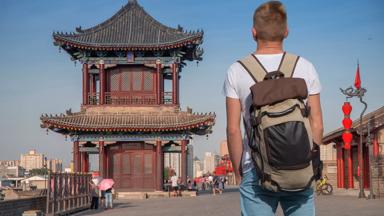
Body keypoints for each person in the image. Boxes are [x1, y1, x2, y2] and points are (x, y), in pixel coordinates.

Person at [223, 1, 324, 215]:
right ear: (286, 32)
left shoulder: (237, 70)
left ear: (253, 32)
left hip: (257, 170)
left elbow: (233, 129)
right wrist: (310, 162)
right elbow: (317, 123)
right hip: (300, 168)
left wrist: (239, 170)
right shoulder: (305, 66)